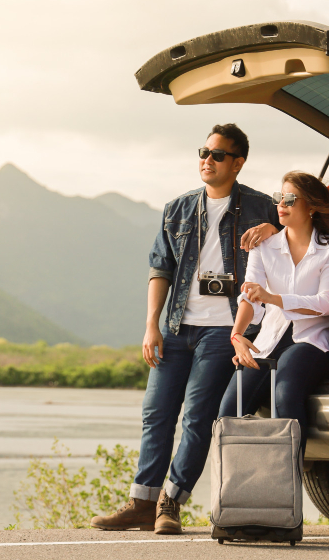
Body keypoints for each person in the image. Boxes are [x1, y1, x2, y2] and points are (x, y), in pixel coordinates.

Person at [90, 124, 280, 535]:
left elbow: (305, 234)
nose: (206, 160)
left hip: (226, 327)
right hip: (176, 327)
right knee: (156, 414)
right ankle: (142, 502)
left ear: (238, 162)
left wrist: (276, 230)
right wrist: (151, 326)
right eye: (203, 152)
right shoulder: (176, 208)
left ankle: (170, 503)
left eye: (217, 154)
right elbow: (161, 269)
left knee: (197, 417)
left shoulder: (263, 206)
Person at [219, 171, 329, 456]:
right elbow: (249, 296)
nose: (281, 203)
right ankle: (236, 484)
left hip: (313, 340)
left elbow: (327, 303)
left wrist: (273, 298)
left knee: (285, 392)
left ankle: (289, 476)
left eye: (290, 198)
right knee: (228, 411)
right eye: (279, 197)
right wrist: (237, 334)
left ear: (312, 206)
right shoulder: (264, 246)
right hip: (269, 340)